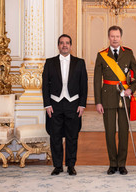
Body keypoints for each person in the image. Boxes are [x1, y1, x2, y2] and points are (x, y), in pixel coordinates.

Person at [94, 26, 136, 175]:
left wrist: (130, 89)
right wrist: (98, 102)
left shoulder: (128, 53)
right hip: (107, 97)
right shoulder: (101, 55)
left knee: (123, 132)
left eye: (117, 36)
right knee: (109, 132)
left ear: (121, 37)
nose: (115, 39)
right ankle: (112, 163)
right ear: (108, 37)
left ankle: (122, 164)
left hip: (124, 98)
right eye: (112, 36)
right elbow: (96, 81)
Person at [42, 34, 88, 176]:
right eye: (62, 43)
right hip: (55, 104)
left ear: (71, 45)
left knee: (72, 137)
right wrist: (47, 105)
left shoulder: (79, 63)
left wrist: (82, 105)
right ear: (58, 45)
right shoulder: (49, 62)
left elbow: (83, 85)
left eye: (67, 43)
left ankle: (70, 165)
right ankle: (57, 166)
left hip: (73, 104)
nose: (64, 45)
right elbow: (45, 86)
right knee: (55, 137)